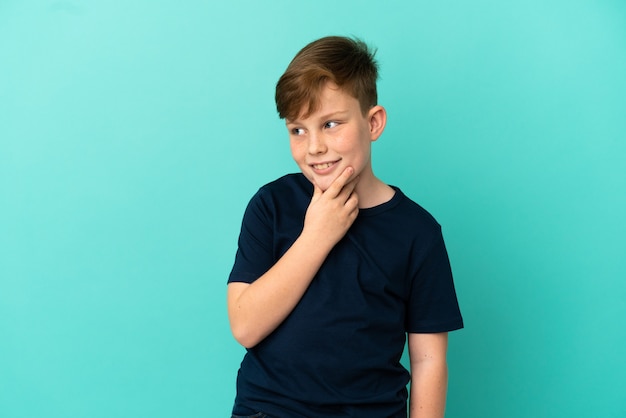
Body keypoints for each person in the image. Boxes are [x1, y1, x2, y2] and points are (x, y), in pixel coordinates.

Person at [227, 36, 463, 418]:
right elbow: (245, 326)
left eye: (331, 124)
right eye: (297, 130)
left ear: (373, 122)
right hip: (269, 410)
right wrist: (317, 235)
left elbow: (429, 361)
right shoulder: (271, 206)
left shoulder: (418, 233)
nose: (315, 147)